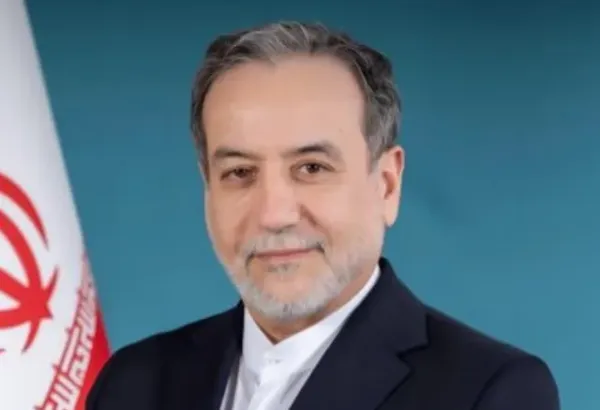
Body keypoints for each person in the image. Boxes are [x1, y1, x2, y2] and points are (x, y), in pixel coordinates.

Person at [86, 21, 560, 410]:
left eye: (311, 168)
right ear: (207, 187)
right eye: (240, 172)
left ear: (386, 185)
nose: (274, 214)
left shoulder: (489, 392)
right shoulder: (132, 385)